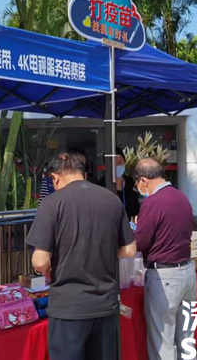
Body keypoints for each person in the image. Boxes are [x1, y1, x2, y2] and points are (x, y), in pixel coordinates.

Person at [27, 152, 137, 360]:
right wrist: (102, 251)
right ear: (83, 174)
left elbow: (40, 261)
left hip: (69, 307)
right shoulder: (111, 199)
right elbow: (129, 250)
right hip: (106, 305)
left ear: (55, 178)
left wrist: (49, 270)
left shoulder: (52, 203)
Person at [133, 158, 197, 360]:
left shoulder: (152, 203)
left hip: (164, 275)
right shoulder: (181, 197)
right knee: (186, 336)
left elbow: (140, 242)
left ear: (144, 180)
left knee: (163, 340)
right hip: (187, 271)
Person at [100, 148, 140, 221]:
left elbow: (136, 208)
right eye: (116, 163)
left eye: (121, 162)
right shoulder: (101, 185)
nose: (119, 165)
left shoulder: (130, 181)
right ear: (106, 166)